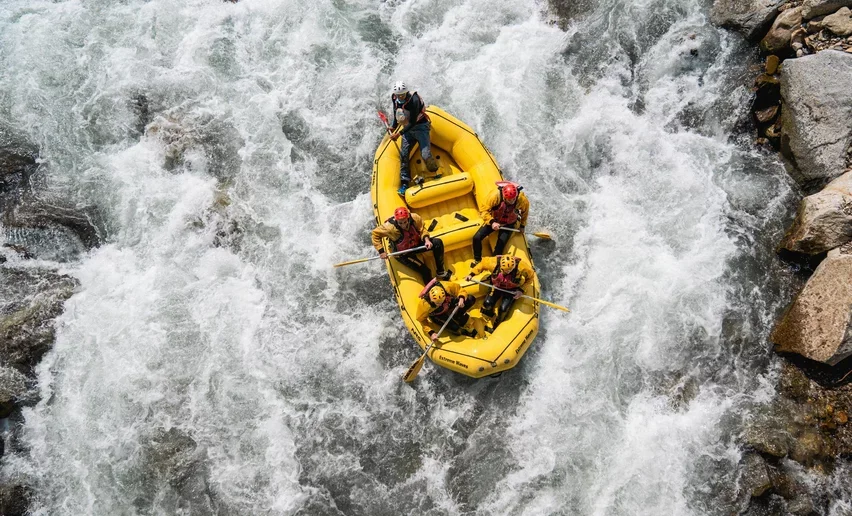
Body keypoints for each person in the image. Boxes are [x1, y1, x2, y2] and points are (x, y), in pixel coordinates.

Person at [371, 206, 451, 283]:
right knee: (425, 271)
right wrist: (381, 251)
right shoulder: (389, 228)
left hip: (417, 244)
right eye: (400, 223)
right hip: (403, 254)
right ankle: (428, 292)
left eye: (405, 222)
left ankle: (440, 271)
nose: (403, 225)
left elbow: (422, 229)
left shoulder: (415, 218)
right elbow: (375, 234)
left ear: (408, 218)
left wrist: (426, 240)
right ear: (396, 220)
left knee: (437, 242)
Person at [389, 81, 439, 195]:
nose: (400, 97)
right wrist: (393, 126)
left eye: (402, 95)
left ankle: (434, 170)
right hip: (408, 130)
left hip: (421, 127)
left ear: (406, 93)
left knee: (425, 154)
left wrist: (398, 134)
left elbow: (412, 122)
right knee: (404, 155)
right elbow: (395, 112)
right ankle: (405, 182)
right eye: (398, 95)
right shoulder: (394, 98)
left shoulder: (414, 100)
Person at [470, 181, 530, 266]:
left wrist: (522, 225)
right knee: (476, 238)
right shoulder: (495, 196)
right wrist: (492, 222)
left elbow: (525, 213)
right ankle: (477, 260)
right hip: (494, 220)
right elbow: (484, 210)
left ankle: (494, 264)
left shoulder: (522, 200)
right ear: (505, 197)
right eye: (509, 199)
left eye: (513, 198)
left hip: (509, 224)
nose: (512, 201)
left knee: (500, 246)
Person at [466, 255, 535, 328]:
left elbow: (531, 277)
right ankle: (489, 313)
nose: (508, 272)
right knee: (487, 303)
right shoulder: (493, 263)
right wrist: (471, 274)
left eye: (510, 270)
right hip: (497, 286)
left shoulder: (522, 267)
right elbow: (482, 264)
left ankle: (499, 320)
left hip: (511, 289)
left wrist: (521, 290)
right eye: (506, 270)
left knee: (503, 308)